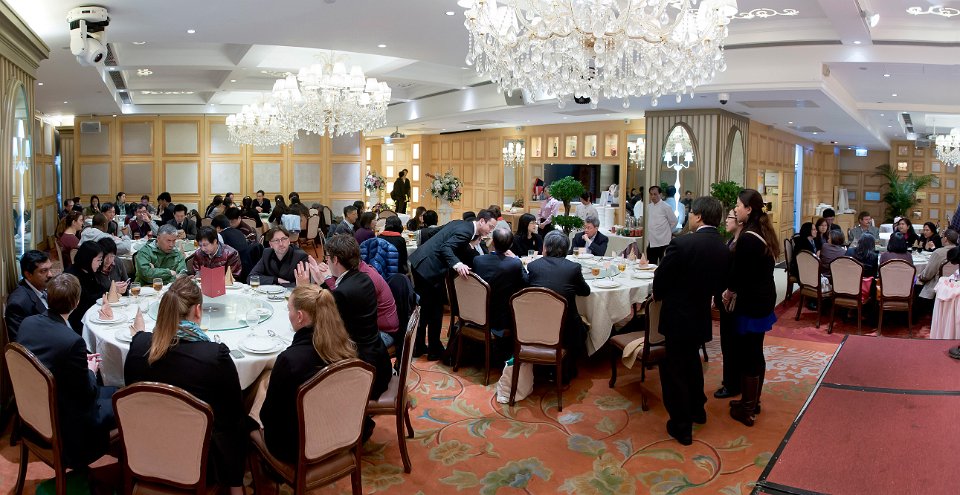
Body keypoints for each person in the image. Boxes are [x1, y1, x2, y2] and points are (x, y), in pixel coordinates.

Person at [124, 277, 250, 494]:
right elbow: (233, 414)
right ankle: (236, 488)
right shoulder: (214, 356)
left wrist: (140, 334)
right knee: (236, 420)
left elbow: (132, 395)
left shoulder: (139, 346)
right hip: (200, 463)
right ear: (198, 311)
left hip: (145, 452)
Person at [16, 273, 116, 468]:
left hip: (35, 408)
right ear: (76, 303)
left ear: (48, 296)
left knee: (114, 391)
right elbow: (87, 394)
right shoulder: (72, 341)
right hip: (66, 422)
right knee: (124, 399)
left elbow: (50, 358)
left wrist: (79, 364)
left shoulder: (27, 323)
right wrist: (91, 369)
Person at [652, 197, 729, 444]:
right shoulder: (722, 246)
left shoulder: (683, 243)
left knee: (675, 370)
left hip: (678, 316)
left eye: (691, 214)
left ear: (698, 216)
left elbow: (661, 279)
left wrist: (659, 294)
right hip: (700, 315)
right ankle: (698, 410)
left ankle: (681, 426)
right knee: (693, 363)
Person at [259, 286, 358, 463]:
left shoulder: (289, 360)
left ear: (299, 316)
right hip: (339, 435)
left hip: (297, 449)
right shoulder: (345, 348)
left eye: (289, 309)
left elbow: (268, 416)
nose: (288, 314)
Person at [722, 189, 780, 428]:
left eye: (738, 205)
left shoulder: (748, 237)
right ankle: (752, 401)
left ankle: (747, 409)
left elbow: (740, 273)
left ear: (749, 209)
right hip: (763, 298)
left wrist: (728, 291)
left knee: (749, 353)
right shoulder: (762, 231)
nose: (735, 209)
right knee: (755, 350)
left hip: (752, 302)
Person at [309, 235, 392, 399]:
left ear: (335, 260)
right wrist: (324, 284)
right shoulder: (364, 278)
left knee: (310, 355)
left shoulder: (343, 291)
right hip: (378, 359)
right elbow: (342, 304)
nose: (326, 261)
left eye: (327, 257)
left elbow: (325, 319)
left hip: (363, 372)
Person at [409, 209, 497, 360]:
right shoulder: (466, 232)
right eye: (490, 226)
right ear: (482, 221)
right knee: (435, 310)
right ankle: (434, 350)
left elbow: (433, 233)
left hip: (419, 261)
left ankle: (419, 346)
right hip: (428, 269)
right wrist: (457, 264)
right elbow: (446, 247)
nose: (491, 231)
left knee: (425, 308)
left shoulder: (460, 223)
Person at [527, 231, 591, 382]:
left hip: (537, 323)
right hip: (566, 328)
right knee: (582, 327)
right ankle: (568, 367)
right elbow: (585, 291)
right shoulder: (573, 268)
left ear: (545, 248)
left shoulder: (534, 266)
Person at [473, 228, 528, 338]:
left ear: (493, 242)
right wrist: (516, 258)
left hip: (479, 311)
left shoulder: (478, 260)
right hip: (503, 317)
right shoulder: (515, 263)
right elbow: (526, 281)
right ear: (511, 245)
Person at [715, 209, 743, 400]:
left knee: (731, 343)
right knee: (727, 342)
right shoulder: (732, 240)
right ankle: (730, 380)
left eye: (730, 217)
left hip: (733, 301)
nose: (726, 220)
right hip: (725, 299)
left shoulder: (741, 243)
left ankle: (732, 384)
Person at [5, 250, 53, 341]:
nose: (50, 275)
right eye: (44, 271)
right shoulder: (18, 304)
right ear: (28, 275)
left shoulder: (44, 286)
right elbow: (20, 343)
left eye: (50, 269)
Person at [65, 241, 107, 334]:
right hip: (78, 322)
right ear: (88, 259)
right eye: (98, 260)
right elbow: (87, 300)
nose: (100, 263)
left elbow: (98, 288)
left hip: (90, 313)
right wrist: (108, 292)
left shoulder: (88, 271)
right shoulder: (72, 277)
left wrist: (110, 289)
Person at [919, 228, 958, 306]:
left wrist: (920, 277)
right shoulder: (958, 251)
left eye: (942, 237)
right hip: (956, 288)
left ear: (945, 239)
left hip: (938, 289)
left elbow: (927, 275)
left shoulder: (939, 253)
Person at [645, 185, 678, 265]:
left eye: (655, 194)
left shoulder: (666, 207)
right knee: (651, 264)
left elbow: (674, 221)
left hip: (664, 241)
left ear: (660, 194)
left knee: (663, 264)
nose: (653, 196)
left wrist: (667, 231)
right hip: (652, 240)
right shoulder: (649, 207)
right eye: (651, 194)